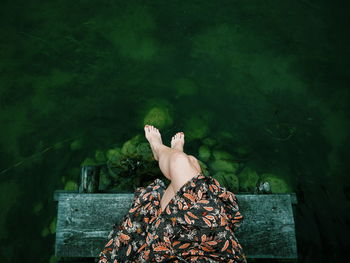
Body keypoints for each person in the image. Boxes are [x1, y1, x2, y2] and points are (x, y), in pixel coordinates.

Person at [97, 125, 247, 263]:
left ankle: (158, 149)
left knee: (181, 161)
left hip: (164, 250)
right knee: (190, 163)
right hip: (212, 250)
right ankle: (172, 157)